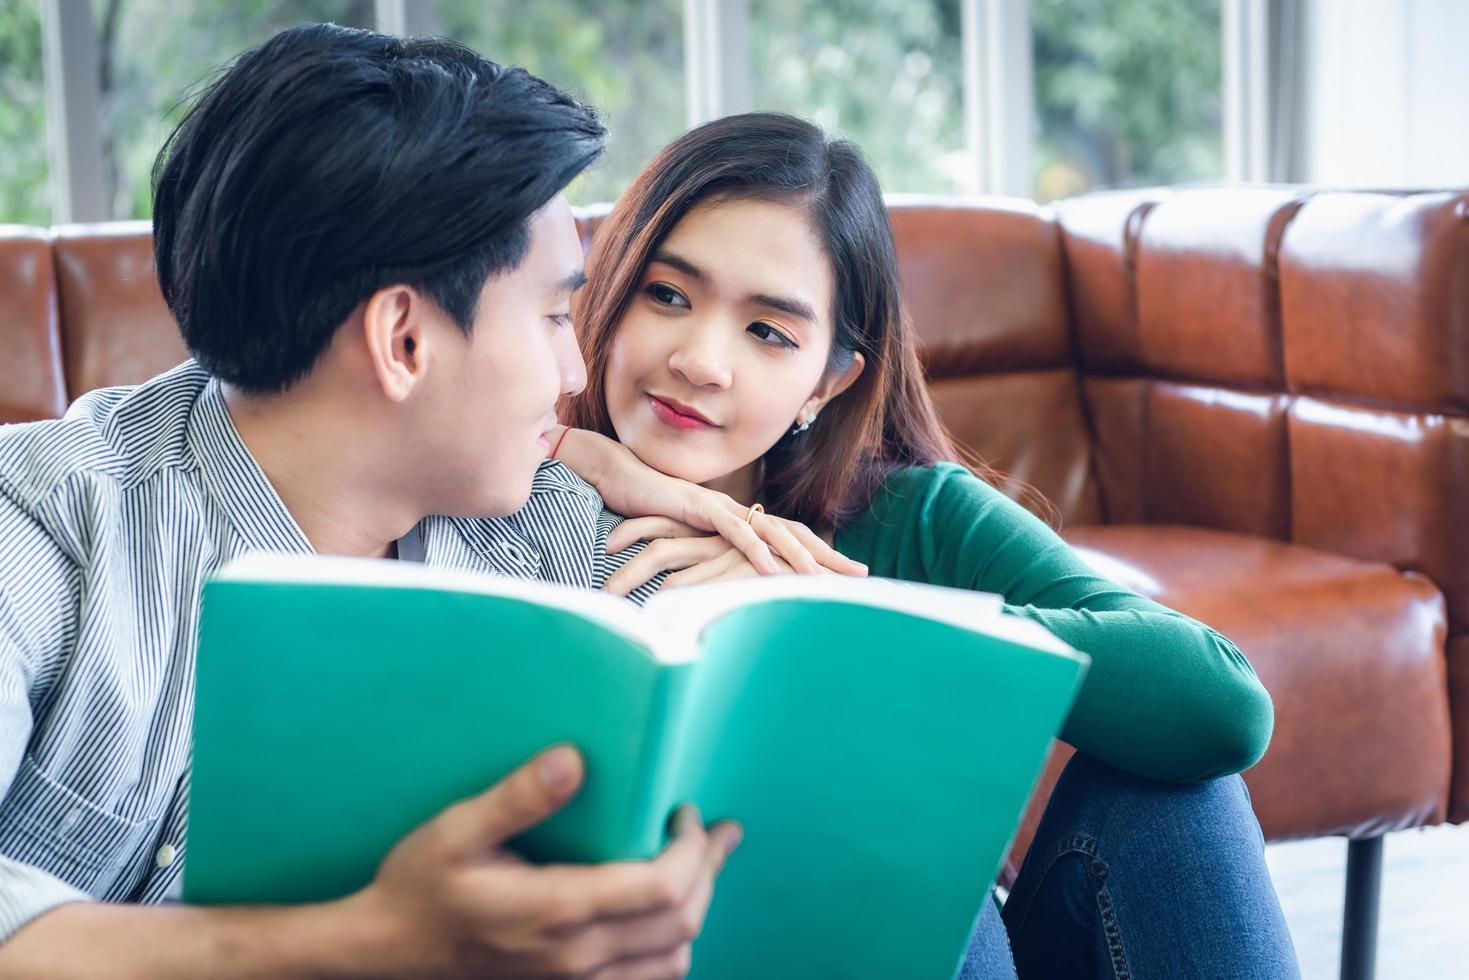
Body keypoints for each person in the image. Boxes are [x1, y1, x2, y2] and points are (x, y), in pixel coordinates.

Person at [0, 27, 834, 979]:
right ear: (401, 339)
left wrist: (746, 613)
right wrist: (369, 943)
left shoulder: (564, 546)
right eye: (556, 317)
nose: (573, 374)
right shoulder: (44, 522)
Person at [551, 112, 1303, 978]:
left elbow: (1221, 705)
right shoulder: (502, 496)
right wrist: (564, 449)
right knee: (902, 877)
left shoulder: (905, 515)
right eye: (667, 294)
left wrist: (834, 611)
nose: (701, 360)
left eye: (768, 333)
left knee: (1169, 798)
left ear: (826, 385)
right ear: (600, 289)